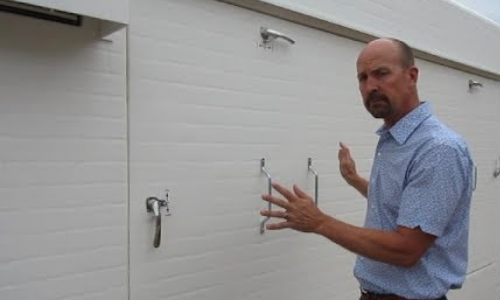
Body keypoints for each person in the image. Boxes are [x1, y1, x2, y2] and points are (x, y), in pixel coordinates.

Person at [260, 38, 474, 300]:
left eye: (381, 73)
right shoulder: (394, 139)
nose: (370, 86)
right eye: (362, 78)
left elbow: (406, 250)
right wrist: (354, 180)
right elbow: (400, 206)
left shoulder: (438, 149)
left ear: (412, 75)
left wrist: (319, 221)